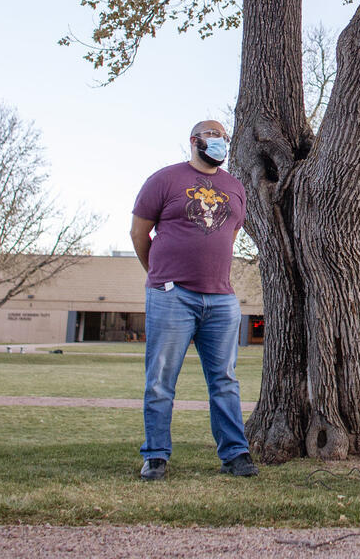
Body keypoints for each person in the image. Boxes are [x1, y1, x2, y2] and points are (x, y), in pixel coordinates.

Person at [131, 119, 258, 481]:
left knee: (225, 380)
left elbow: (229, 236)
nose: (221, 142)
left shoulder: (235, 187)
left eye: (225, 137)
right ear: (194, 140)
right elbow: (139, 233)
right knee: (160, 380)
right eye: (214, 135)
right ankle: (155, 456)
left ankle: (235, 454)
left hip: (221, 300)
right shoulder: (164, 180)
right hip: (171, 295)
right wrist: (159, 274)